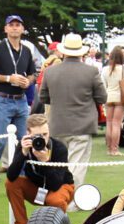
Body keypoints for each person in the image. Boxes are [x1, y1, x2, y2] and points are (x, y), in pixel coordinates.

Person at [38, 33, 106, 192]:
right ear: (81, 52)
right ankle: (71, 199)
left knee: (59, 164)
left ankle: (58, 196)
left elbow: (43, 97)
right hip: (82, 125)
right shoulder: (91, 72)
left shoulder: (50, 71)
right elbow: (102, 97)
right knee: (77, 165)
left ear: (63, 51)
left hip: (57, 125)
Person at [0, 15, 38, 184]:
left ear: (22, 29)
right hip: (1, 100)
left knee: (24, 141)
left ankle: (23, 178)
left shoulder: (26, 50)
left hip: (20, 100)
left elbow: (33, 74)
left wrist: (28, 81)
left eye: (18, 25)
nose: (14, 28)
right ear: (5, 29)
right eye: (11, 25)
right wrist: (8, 79)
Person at [6, 113, 75, 224]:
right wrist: (23, 153)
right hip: (37, 188)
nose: (43, 139)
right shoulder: (24, 145)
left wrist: (45, 162)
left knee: (54, 200)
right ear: (28, 133)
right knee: (11, 184)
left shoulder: (59, 148)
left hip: (62, 187)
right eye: (38, 136)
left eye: (45, 134)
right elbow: (11, 177)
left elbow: (55, 184)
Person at [100, 46, 124, 156]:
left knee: (109, 123)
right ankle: (115, 149)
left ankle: (109, 148)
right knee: (117, 123)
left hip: (108, 97)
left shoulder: (105, 69)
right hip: (120, 97)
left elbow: (103, 84)